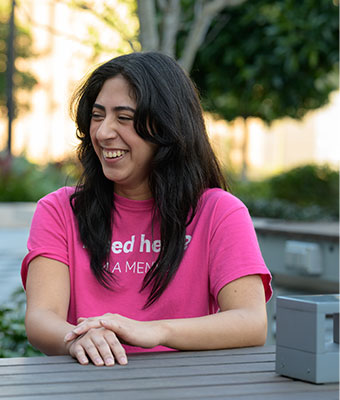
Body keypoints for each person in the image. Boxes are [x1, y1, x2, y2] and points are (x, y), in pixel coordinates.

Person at [22, 52, 272, 367]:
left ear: (167, 127)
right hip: (88, 384)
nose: (103, 132)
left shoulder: (219, 211)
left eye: (124, 118)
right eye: (98, 115)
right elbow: (41, 318)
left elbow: (251, 322)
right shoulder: (59, 209)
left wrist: (155, 332)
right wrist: (77, 338)